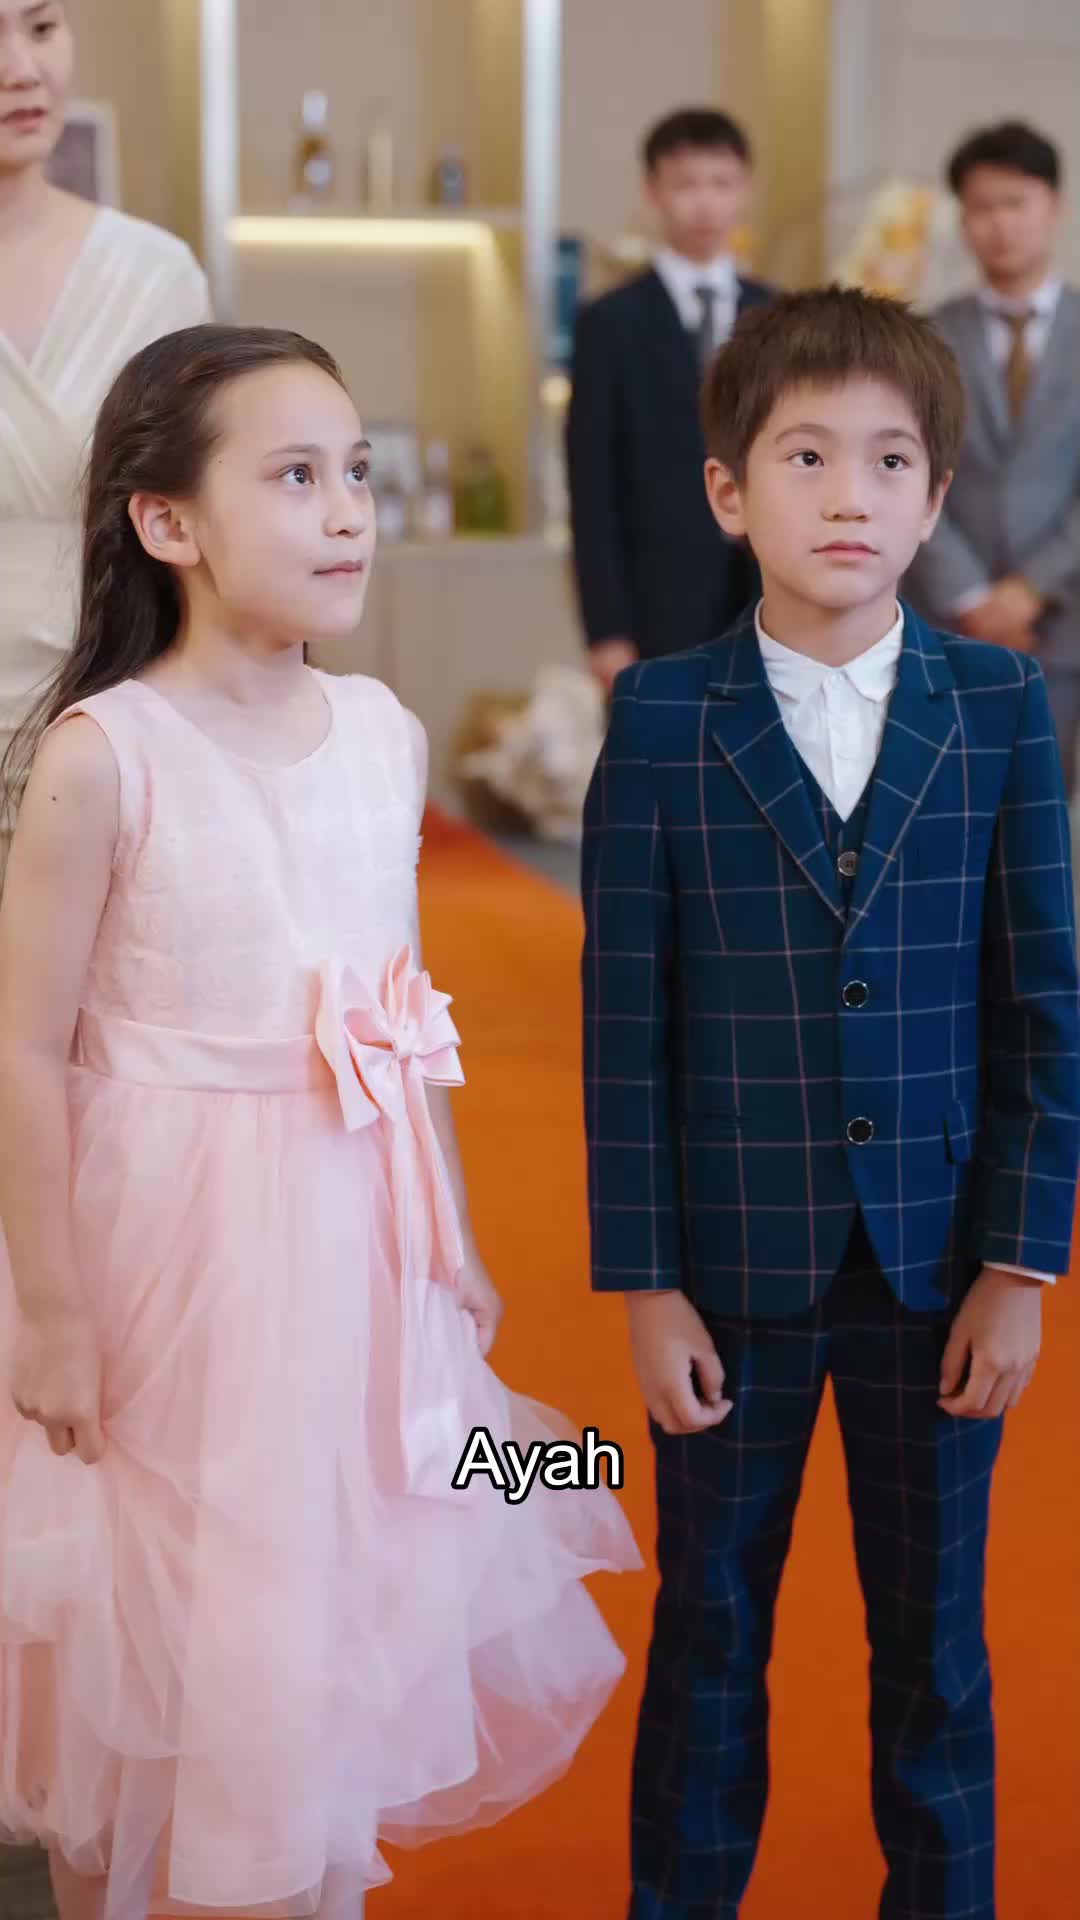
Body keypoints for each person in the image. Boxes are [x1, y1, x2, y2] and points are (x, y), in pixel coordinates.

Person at [0, 323, 640, 1920]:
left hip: (354, 1251)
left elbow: (398, 1025)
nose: (349, 508)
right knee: (146, 1634)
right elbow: (23, 1048)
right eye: (294, 476)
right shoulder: (104, 754)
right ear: (168, 520)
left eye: (354, 471)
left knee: (330, 1605)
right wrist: (55, 1316)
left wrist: (452, 1252)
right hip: (163, 1259)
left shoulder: (382, 736)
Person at [581, 286, 1080, 1919]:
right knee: (708, 1633)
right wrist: (647, 1286)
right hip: (732, 1273)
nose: (849, 495)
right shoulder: (663, 718)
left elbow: (1044, 1004)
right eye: (806, 457)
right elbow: (625, 1026)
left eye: (889, 461)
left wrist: (1020, 1265)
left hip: (941, 1274)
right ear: (730, 492)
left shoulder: (1000, 707)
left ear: (937, 500)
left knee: (936, 1646)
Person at [0, 0, 210, 877]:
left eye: (42, 28)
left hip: (107, 724)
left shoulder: (154, 276)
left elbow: (198, 529)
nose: (21, 68)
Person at [565, 108, 773, 695]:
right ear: (652, 191)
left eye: (721, 183)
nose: (705, 203)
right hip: (653, 602)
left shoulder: (778, 314)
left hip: (768, 593)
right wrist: (605, 629)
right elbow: (591, 484)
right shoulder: (609, 322)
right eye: (686, 184)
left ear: (745, 190)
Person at [905, 121, 1080, 796]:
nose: (1001, 223)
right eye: (982, 207)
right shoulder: (925, 337)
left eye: (1016, 202)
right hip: (948, 617)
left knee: (1047, 811)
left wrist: (1030, 589)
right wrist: (974, 596)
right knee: (944, 806)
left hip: (1063, 626)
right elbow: (906, 468)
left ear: (1053, 207)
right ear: (962, 220)